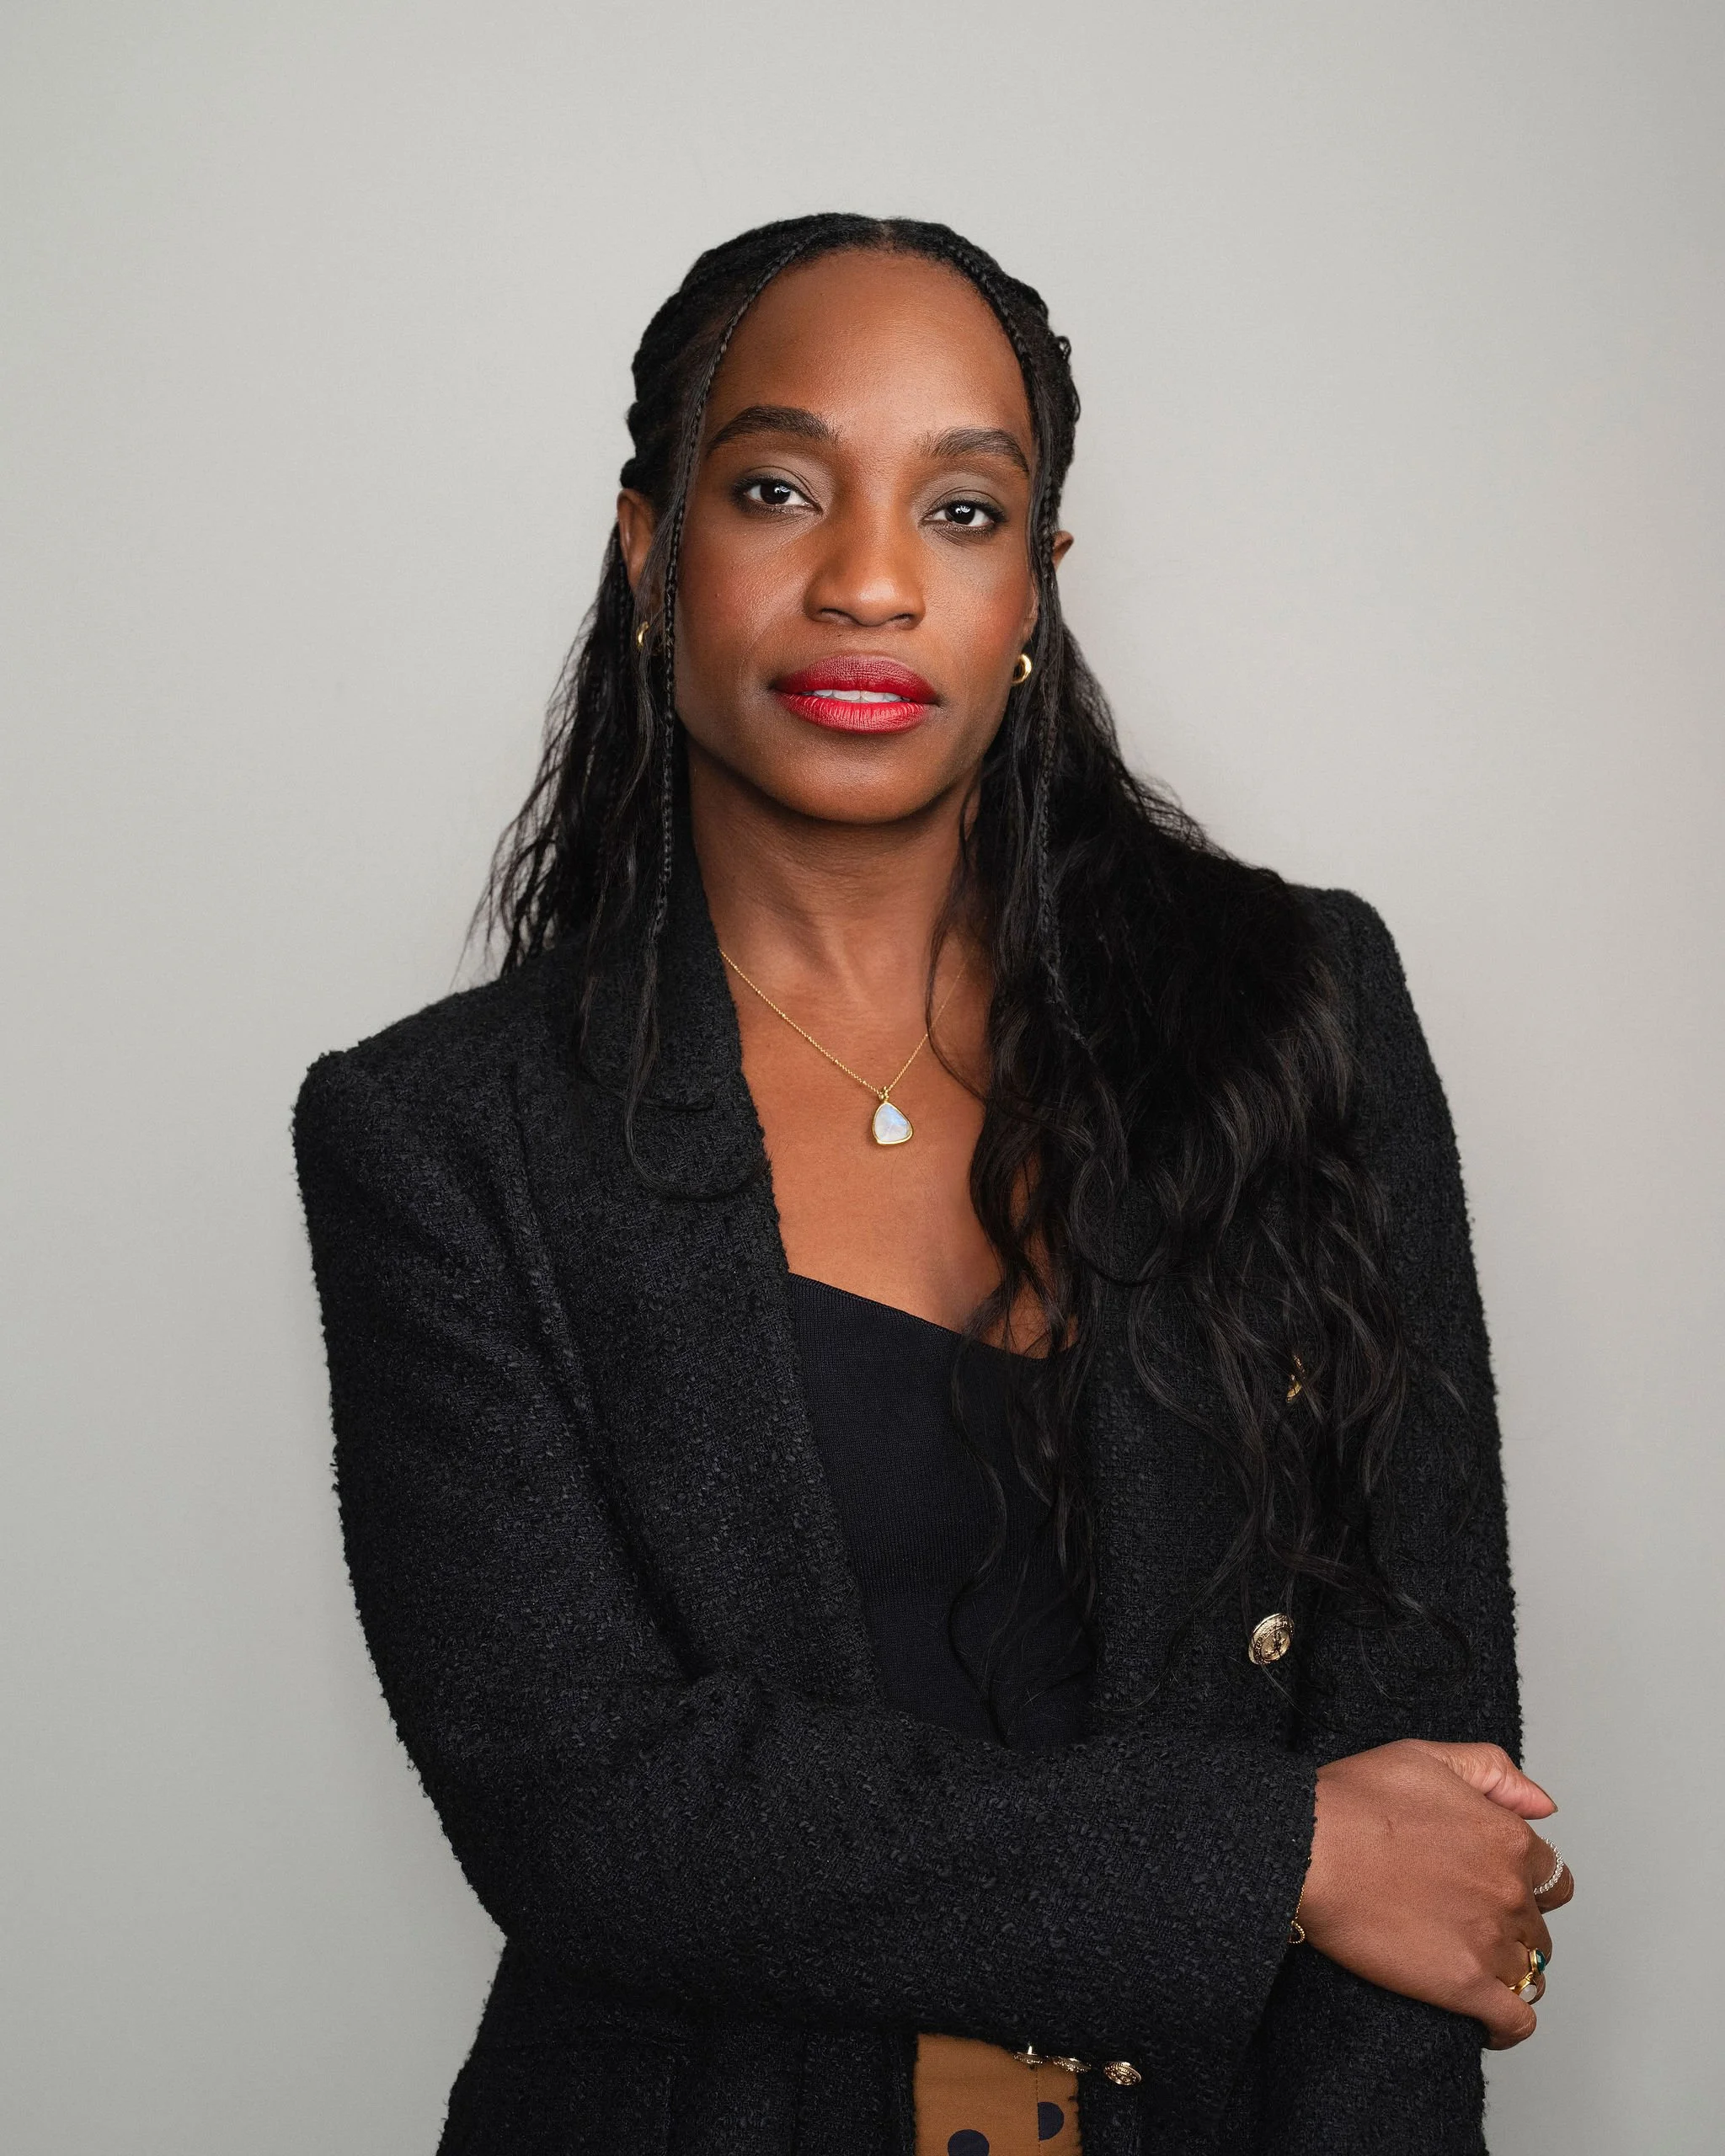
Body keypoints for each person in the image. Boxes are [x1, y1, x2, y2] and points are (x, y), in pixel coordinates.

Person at [295, 213, 1573, 2156]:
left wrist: (1350, 1885)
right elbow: (590, 1810)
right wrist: (1274, 1849)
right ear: (652, 553)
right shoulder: (446, 1134)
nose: (871, 581)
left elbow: (1428, 1755)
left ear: (1036, 589)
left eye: (962, 512)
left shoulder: (1295, 1010)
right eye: (780, 488)